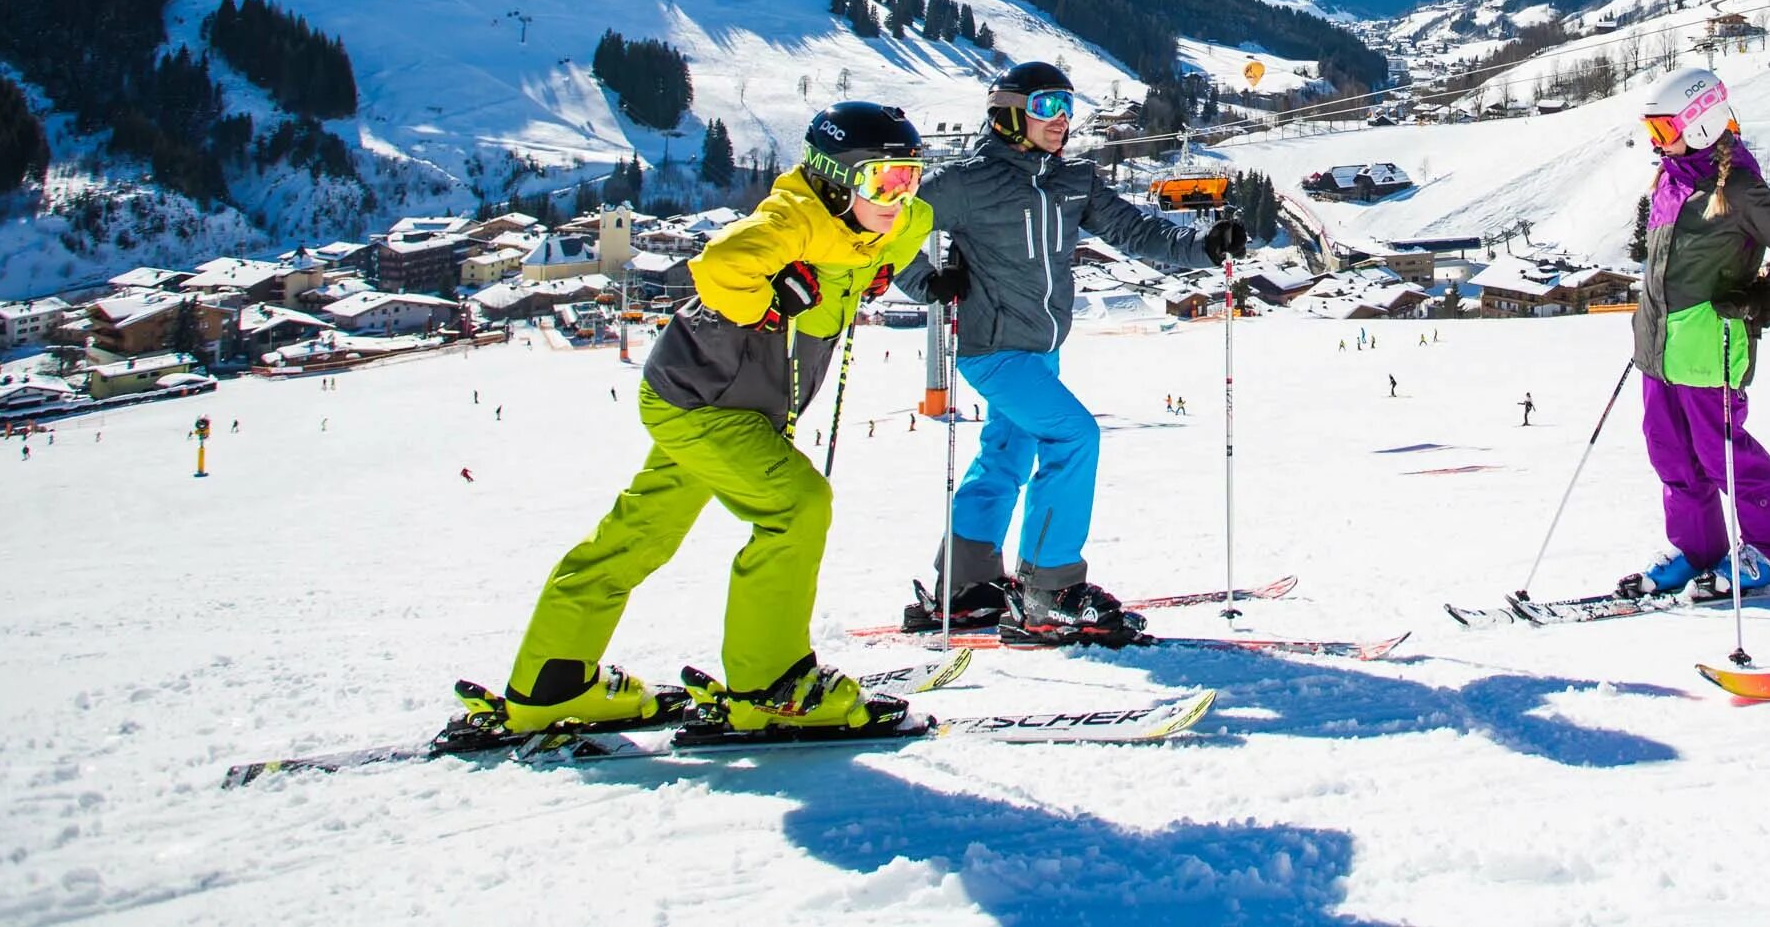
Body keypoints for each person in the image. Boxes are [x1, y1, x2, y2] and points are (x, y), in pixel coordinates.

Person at [486, 103, 934, 737]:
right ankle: (770, 687)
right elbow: (720, 265)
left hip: (728, 401)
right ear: (835, 177)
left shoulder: (890, 221)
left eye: (909, 177)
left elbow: (918, 223)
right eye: (883, 180)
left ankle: (551, 683)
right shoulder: (792, 221)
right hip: (703, 400)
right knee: (797, 505)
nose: (898, 197)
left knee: (639, 532)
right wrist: (765, 299)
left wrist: (882, 270)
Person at [905, 61, 1242, 644]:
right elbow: (889, 229)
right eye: (1046, 108)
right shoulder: (964, 183)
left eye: (1066, 107)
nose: (1061, 120)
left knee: (1004, 461)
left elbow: (1137, 231)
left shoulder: (1073, 180)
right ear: (1009, 113)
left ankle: (964, 589)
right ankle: (1048, 591)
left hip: (1042, 350)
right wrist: (925, 280)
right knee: (1073, 436)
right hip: (992, 349)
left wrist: (1206, 246)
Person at [1619, 66, 1770, 599]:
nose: (1658, 144)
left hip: (1711, 346)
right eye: (1654, 133)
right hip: (1660, 348)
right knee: (1670, 454)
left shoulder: (1737, 185)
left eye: (1666, 131)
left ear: (1704, 124)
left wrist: (1764, 299)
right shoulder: (1671, 178)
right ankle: (1698, 548)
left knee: (1725, 455)